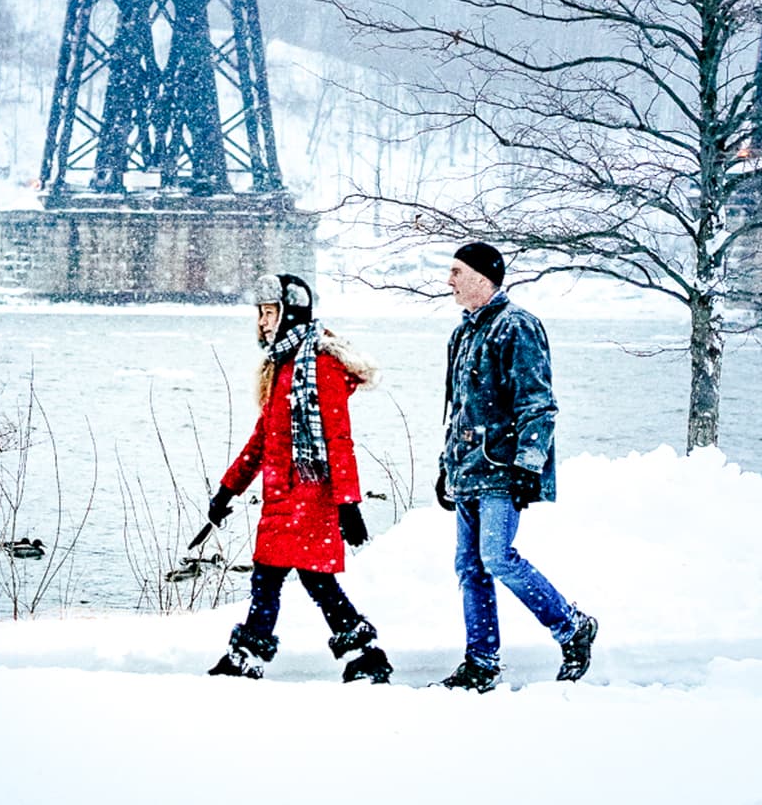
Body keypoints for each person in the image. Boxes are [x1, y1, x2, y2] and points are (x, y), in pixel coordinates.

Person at [206, 273, 393, 683]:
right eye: (259, 313)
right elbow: (263, 438)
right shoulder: (282, 365)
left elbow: (338, 439)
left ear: (290, 313)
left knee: (297, 579)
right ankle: (359, 654)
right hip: (281, 497)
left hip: (311, 496)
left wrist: (349, 504)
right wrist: (227, 489)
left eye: (269, 313)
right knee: (284, 578)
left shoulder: (318, 366)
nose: (262, 322)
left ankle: (253, 657)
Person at [435, 241, 598, 691]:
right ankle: (482, 661)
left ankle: (571, 627)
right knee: (470, 567)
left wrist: (529, 464)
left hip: (502, 469)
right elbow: (458, 409)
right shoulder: (463, 333)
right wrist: (444, 466)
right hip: (466, 470)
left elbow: (538, 403)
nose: (449, 281)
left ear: (483, 277)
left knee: (496, 557)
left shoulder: (518, 327)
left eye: (456, 272)